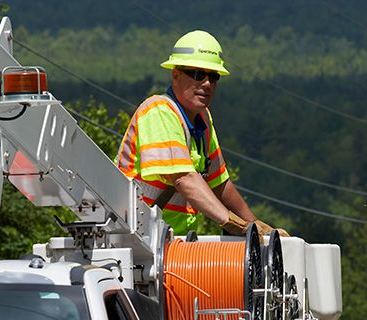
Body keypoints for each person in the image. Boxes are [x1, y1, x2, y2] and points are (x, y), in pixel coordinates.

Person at [117, 30, 285, 237]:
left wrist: (256, 226)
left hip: (169, 239)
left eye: (213, 77)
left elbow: (219, 183)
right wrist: (232, 223)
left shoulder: (202, 119)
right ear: (175, 75)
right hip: (135, 237)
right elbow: (183, 179)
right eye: (197, 74)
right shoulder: (158, 111)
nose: (206, 83)